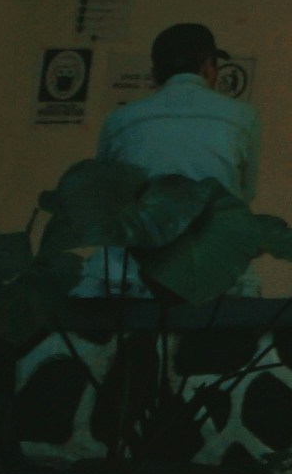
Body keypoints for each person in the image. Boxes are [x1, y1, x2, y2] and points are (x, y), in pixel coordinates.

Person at [76, 24, 258, 296]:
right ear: (209, 67)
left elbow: (107, 201)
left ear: (154, 74)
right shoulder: (243, 117)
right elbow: (244, 194)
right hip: (214, 274)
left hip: (129, 277)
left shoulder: (120, 120)